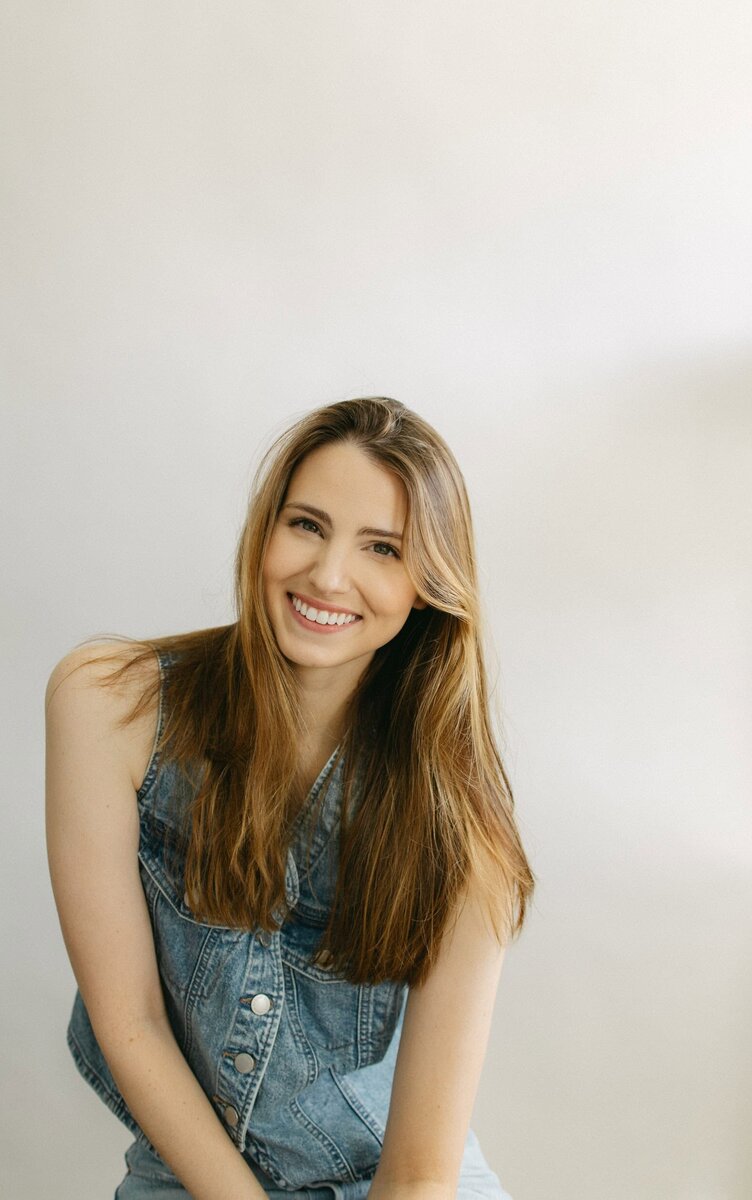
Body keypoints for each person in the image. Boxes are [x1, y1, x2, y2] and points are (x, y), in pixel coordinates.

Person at [45, 396, 534, 1200]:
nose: (328, 575)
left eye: (382, 547)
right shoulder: (110, 706)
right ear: (264, 531)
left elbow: (419, 1173)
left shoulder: (465, 831)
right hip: (192, 1175)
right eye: (306, 524)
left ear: (428, 585)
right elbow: (130, 1021)